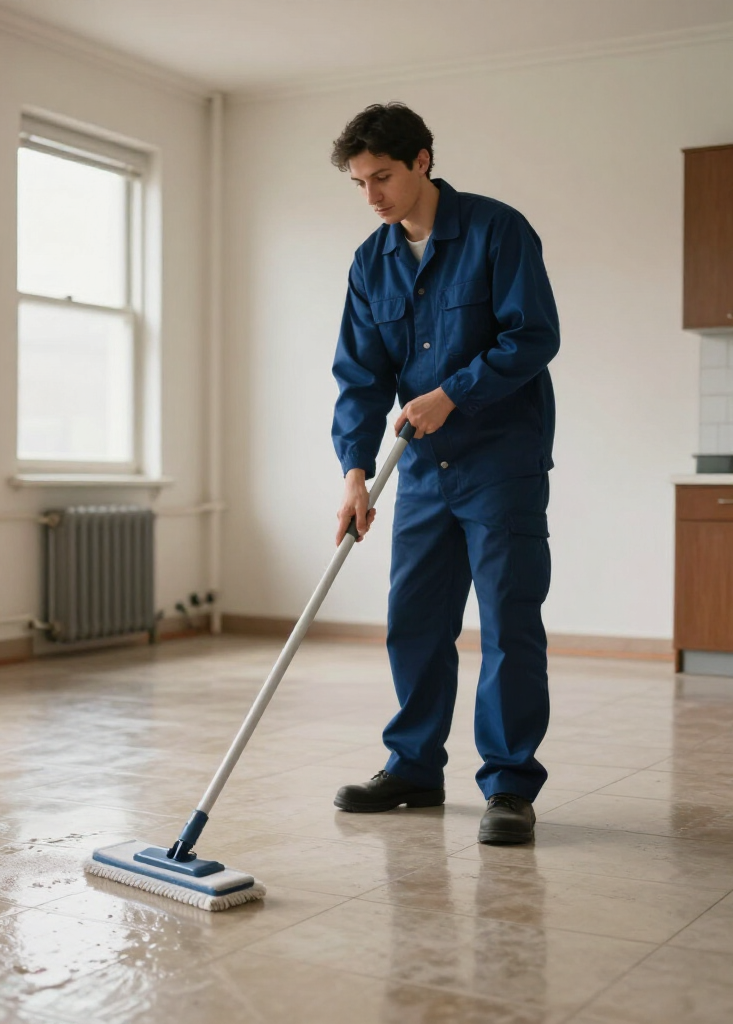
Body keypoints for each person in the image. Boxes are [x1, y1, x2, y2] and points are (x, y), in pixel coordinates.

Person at [329, 102, 560, 844]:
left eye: (384, 177)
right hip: (422, 470)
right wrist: (355, 471)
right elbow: (361, 378)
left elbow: (535, 336)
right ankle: (414, 768)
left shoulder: (498, 231)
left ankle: (509, 786)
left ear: (423, 160)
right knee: (416, 622)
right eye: (361, 183)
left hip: (501, 464)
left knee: (507, 624)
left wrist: (452, 392)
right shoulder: (372, 262)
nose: (373, 198)